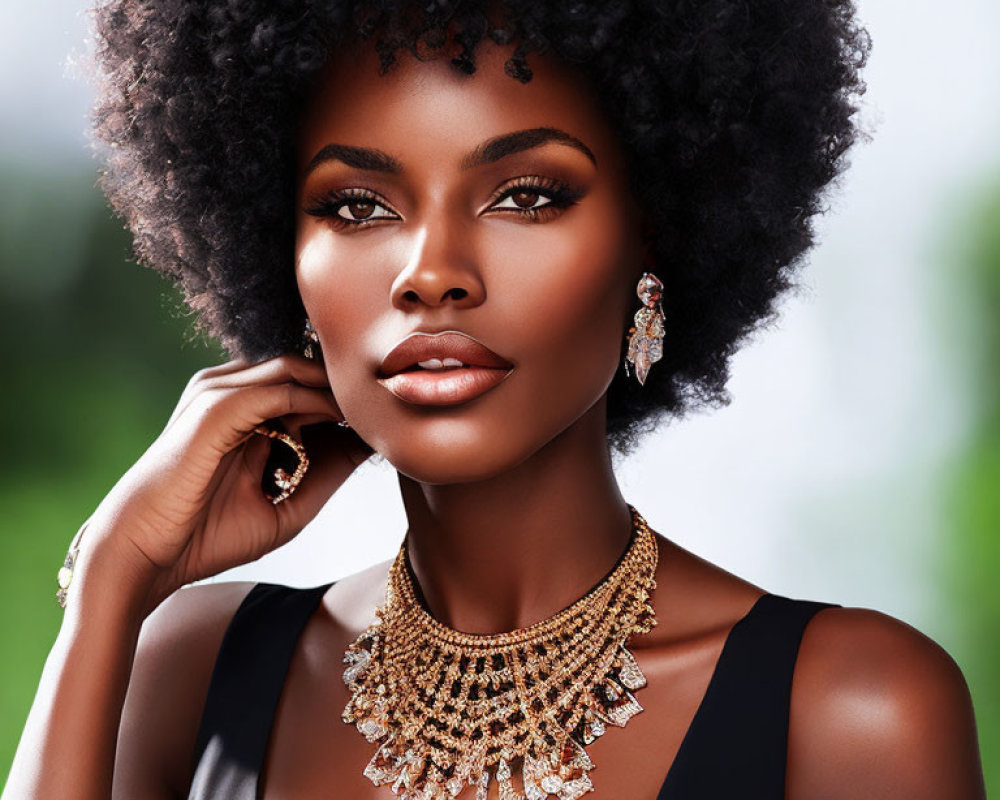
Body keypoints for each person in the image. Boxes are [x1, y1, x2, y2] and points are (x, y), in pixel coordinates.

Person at [3, 1, 987, 798]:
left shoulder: (851, 705)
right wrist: (111, 582)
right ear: (282, 259)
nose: (432, 273)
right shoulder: (194, 670)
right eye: (358, 205)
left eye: (527, 195)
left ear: (652, 242)